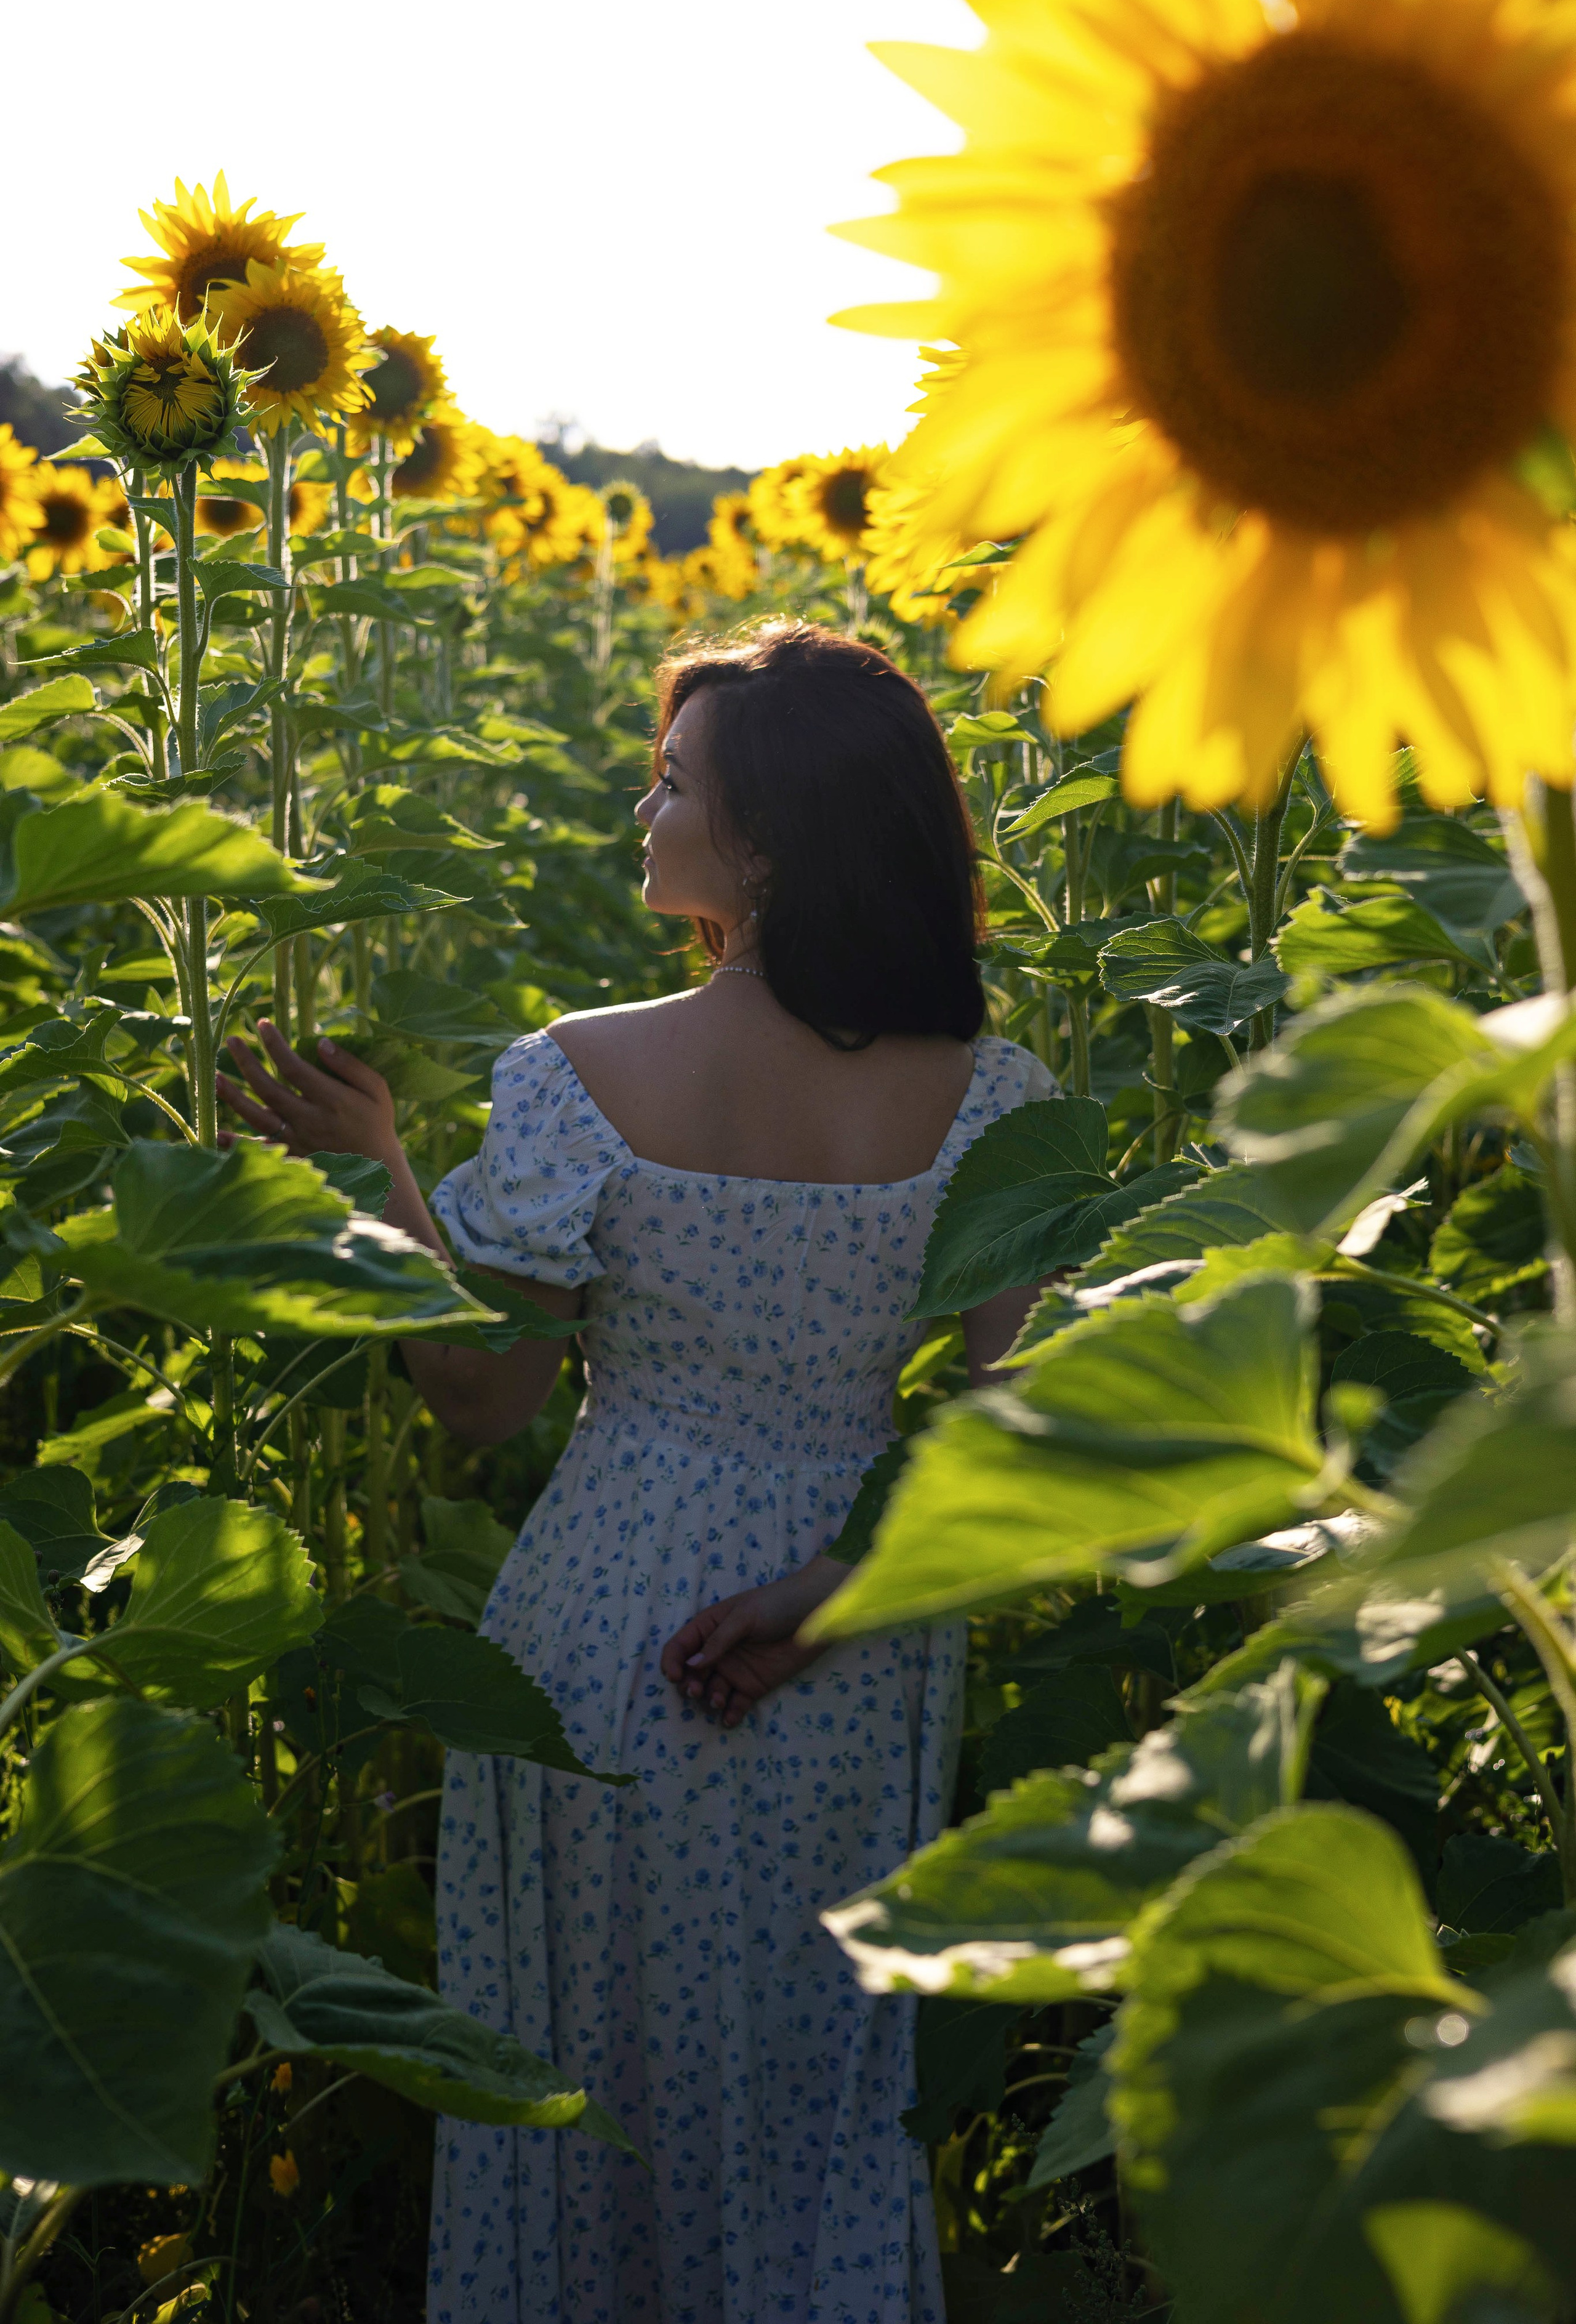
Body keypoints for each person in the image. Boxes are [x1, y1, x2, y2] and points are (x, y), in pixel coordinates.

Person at [217, 619, 1055, 2324]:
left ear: (763, 848)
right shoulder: (996, 1102)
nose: (644, 805)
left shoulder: (582, 1073)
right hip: (860, 1637)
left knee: (593, 2093)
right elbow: (1037, 1434)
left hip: (607, 1630)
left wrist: (379, 1179)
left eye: (674, 784)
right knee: (820, 2094)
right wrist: (846, 1589)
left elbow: (482, 1398)